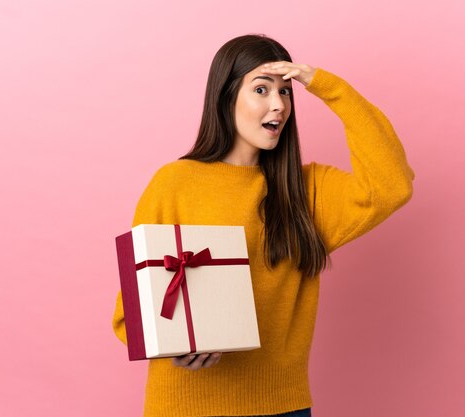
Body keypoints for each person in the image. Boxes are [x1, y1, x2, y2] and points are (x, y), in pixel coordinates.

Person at [112, 34, 415, 417]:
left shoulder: (307, 191)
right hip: (186, 405)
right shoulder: (174, 183)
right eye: (261, 89)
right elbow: (130, 314)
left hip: (282, 406)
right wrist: (175, 348)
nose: (278, 105)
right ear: (226, 97)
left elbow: (392, 186)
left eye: (286, 93)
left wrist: (326, 85)